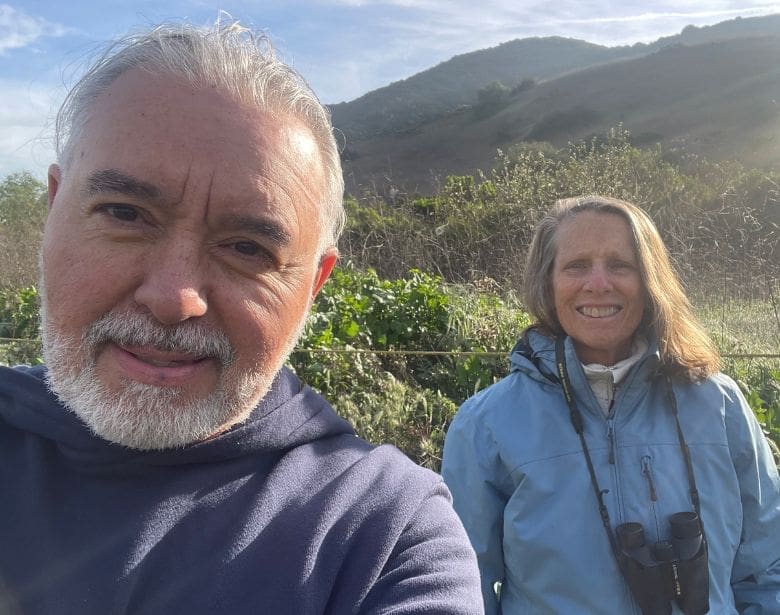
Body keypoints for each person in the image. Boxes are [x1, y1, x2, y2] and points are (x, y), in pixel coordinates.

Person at [0, 20, 483, 614]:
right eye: (125, 213)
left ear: (311, 286)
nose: (173, 298)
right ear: (54, 212)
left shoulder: (382, 540)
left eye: (248, 249)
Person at [442, 195, 780, 614]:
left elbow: (768, 566)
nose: (598, 284)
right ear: (547, 282)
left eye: (621, 265)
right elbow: (460, 586)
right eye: (576, 266)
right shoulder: (485, 426)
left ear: (651, 279)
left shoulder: (720, 404)